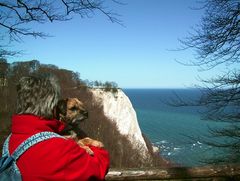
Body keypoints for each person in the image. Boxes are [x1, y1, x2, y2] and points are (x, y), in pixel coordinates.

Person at [8, 74, 110, 180]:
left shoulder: (9, 142)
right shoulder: (61, 147)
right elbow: (99, 167)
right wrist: (86, 140)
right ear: (52, 106)